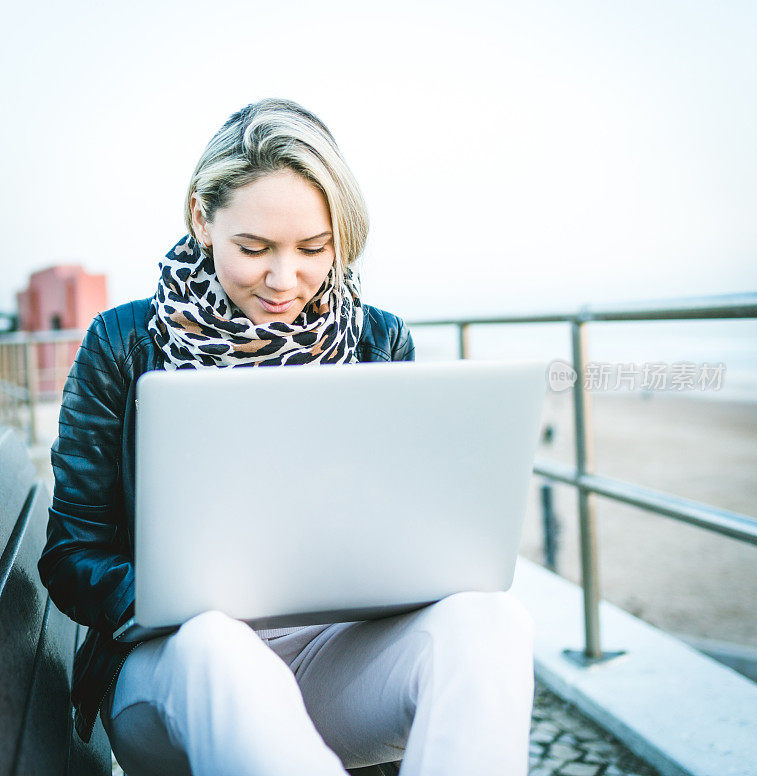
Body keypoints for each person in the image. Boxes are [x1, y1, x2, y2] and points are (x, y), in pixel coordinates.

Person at [37, 98, 535, 776]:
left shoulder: (378, 339)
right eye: (253, 248)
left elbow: (406, 531)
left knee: (490, 623)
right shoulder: (123, 345)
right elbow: (71, 554)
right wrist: (175, 598)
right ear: (200, 218)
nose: (284, 279)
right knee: (219, 643)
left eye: (313, 249)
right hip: (176, 662)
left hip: (330, 656)